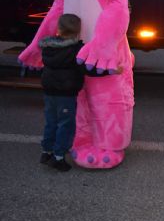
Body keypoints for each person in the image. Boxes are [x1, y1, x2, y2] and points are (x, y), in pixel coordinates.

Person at [38, 14, 118, 171]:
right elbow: (88, 69)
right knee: (65, 125)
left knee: (51, 122)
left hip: (49, 92)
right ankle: (58, 157)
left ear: (59, 30)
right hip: (66, 94)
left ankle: (46, 151)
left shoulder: (48, 48)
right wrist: (111, 70)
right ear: (78, 32)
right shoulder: (76, 51)